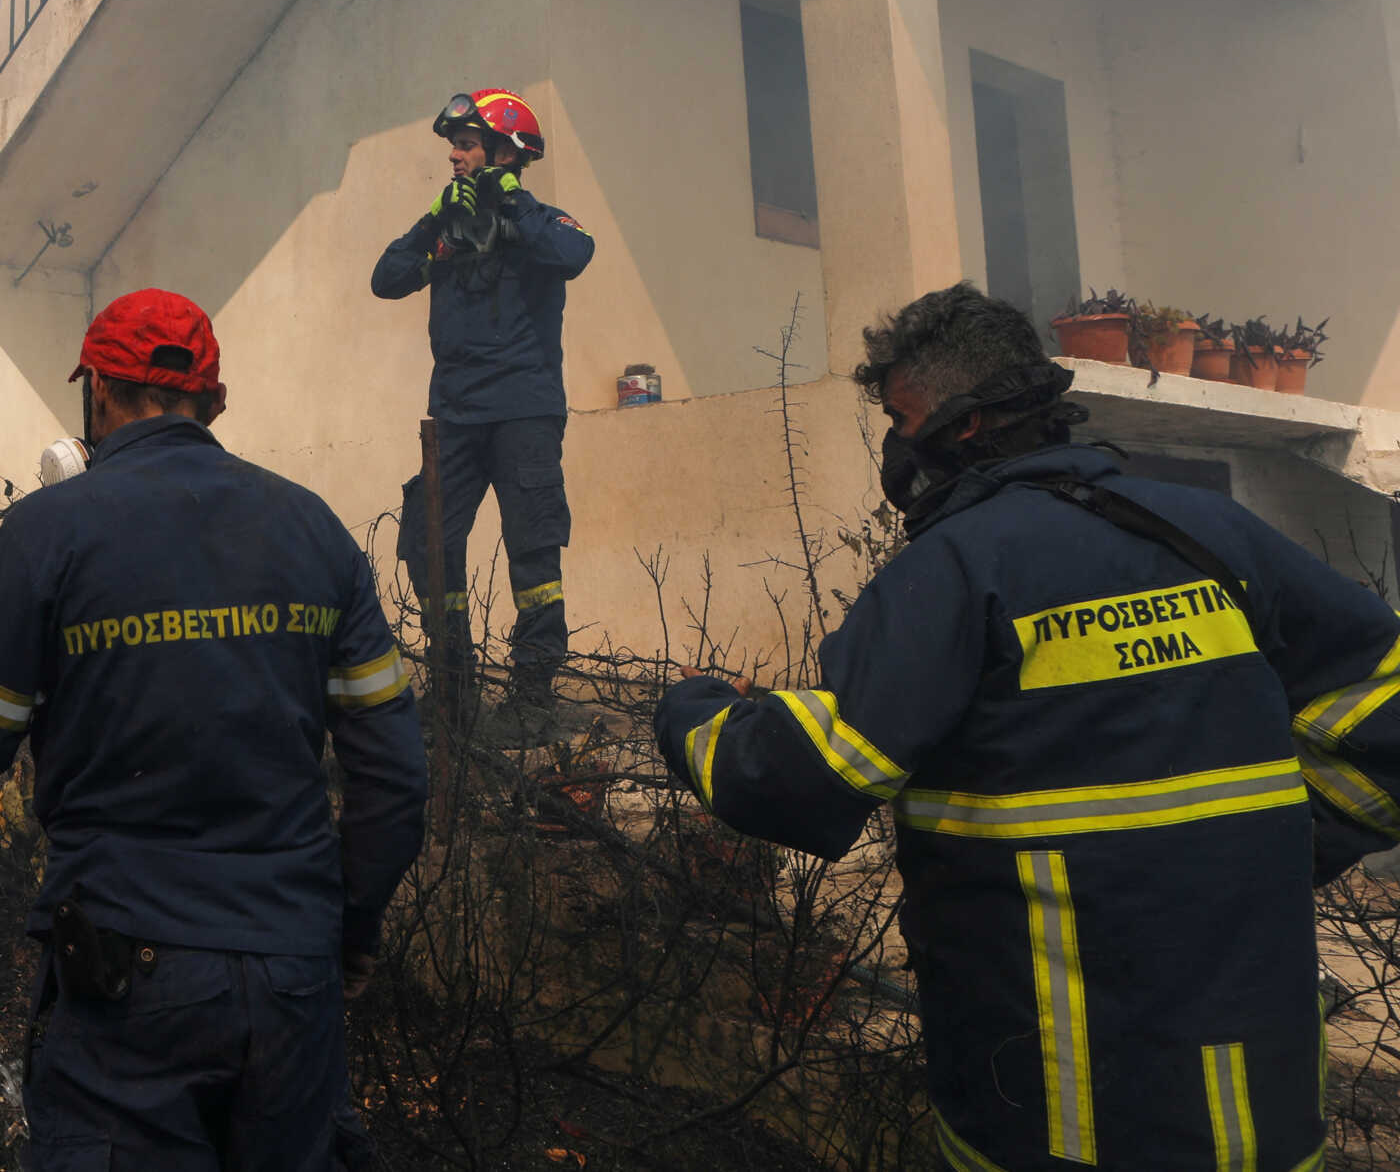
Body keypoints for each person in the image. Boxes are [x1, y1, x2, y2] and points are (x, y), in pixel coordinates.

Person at [655, 284, 1400, 1172]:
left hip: (1058, 1121)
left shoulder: (958, 568)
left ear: (961, 423)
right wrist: (1280, 841)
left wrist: (693, 710)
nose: (895, 444)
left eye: (900, 417)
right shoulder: (1211, 533)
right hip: (1263, 1118)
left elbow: (798, 774)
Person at [0, 288, 429, 1170]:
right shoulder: (315, 530)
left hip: (126, 978)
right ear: (217, 403)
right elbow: (395, 780)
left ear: (98, 397)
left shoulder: (51, 528)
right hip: (292, 970)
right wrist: (347, 926)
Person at [371, 89, 595, 721]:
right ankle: (453, 687)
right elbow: (386, 278)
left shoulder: (541, 222)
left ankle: (533, 693)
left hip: (524, 410)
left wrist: (510, 204)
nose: (454, 156)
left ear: (503, 151)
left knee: (533, 550)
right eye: (453, 146)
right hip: (455, 415)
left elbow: (573, 254)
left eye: (466, 145)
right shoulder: (448, 224)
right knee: (426, 540)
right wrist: (435, 228)